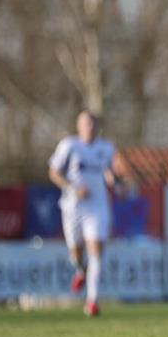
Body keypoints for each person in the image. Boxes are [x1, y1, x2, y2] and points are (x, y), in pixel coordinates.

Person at [49, 110, 121, 317]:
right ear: (78, 126)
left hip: (97, 206)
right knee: (76, 253)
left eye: (93, 123)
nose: (90, 127)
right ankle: (80, 271)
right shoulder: (69, 146)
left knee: (97, 250)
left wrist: (116, 182)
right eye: (86, 123)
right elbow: (53, 172)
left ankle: (92, 301)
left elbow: (110, 173)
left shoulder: (106, 148)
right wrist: (73, 188)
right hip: (73, 207)